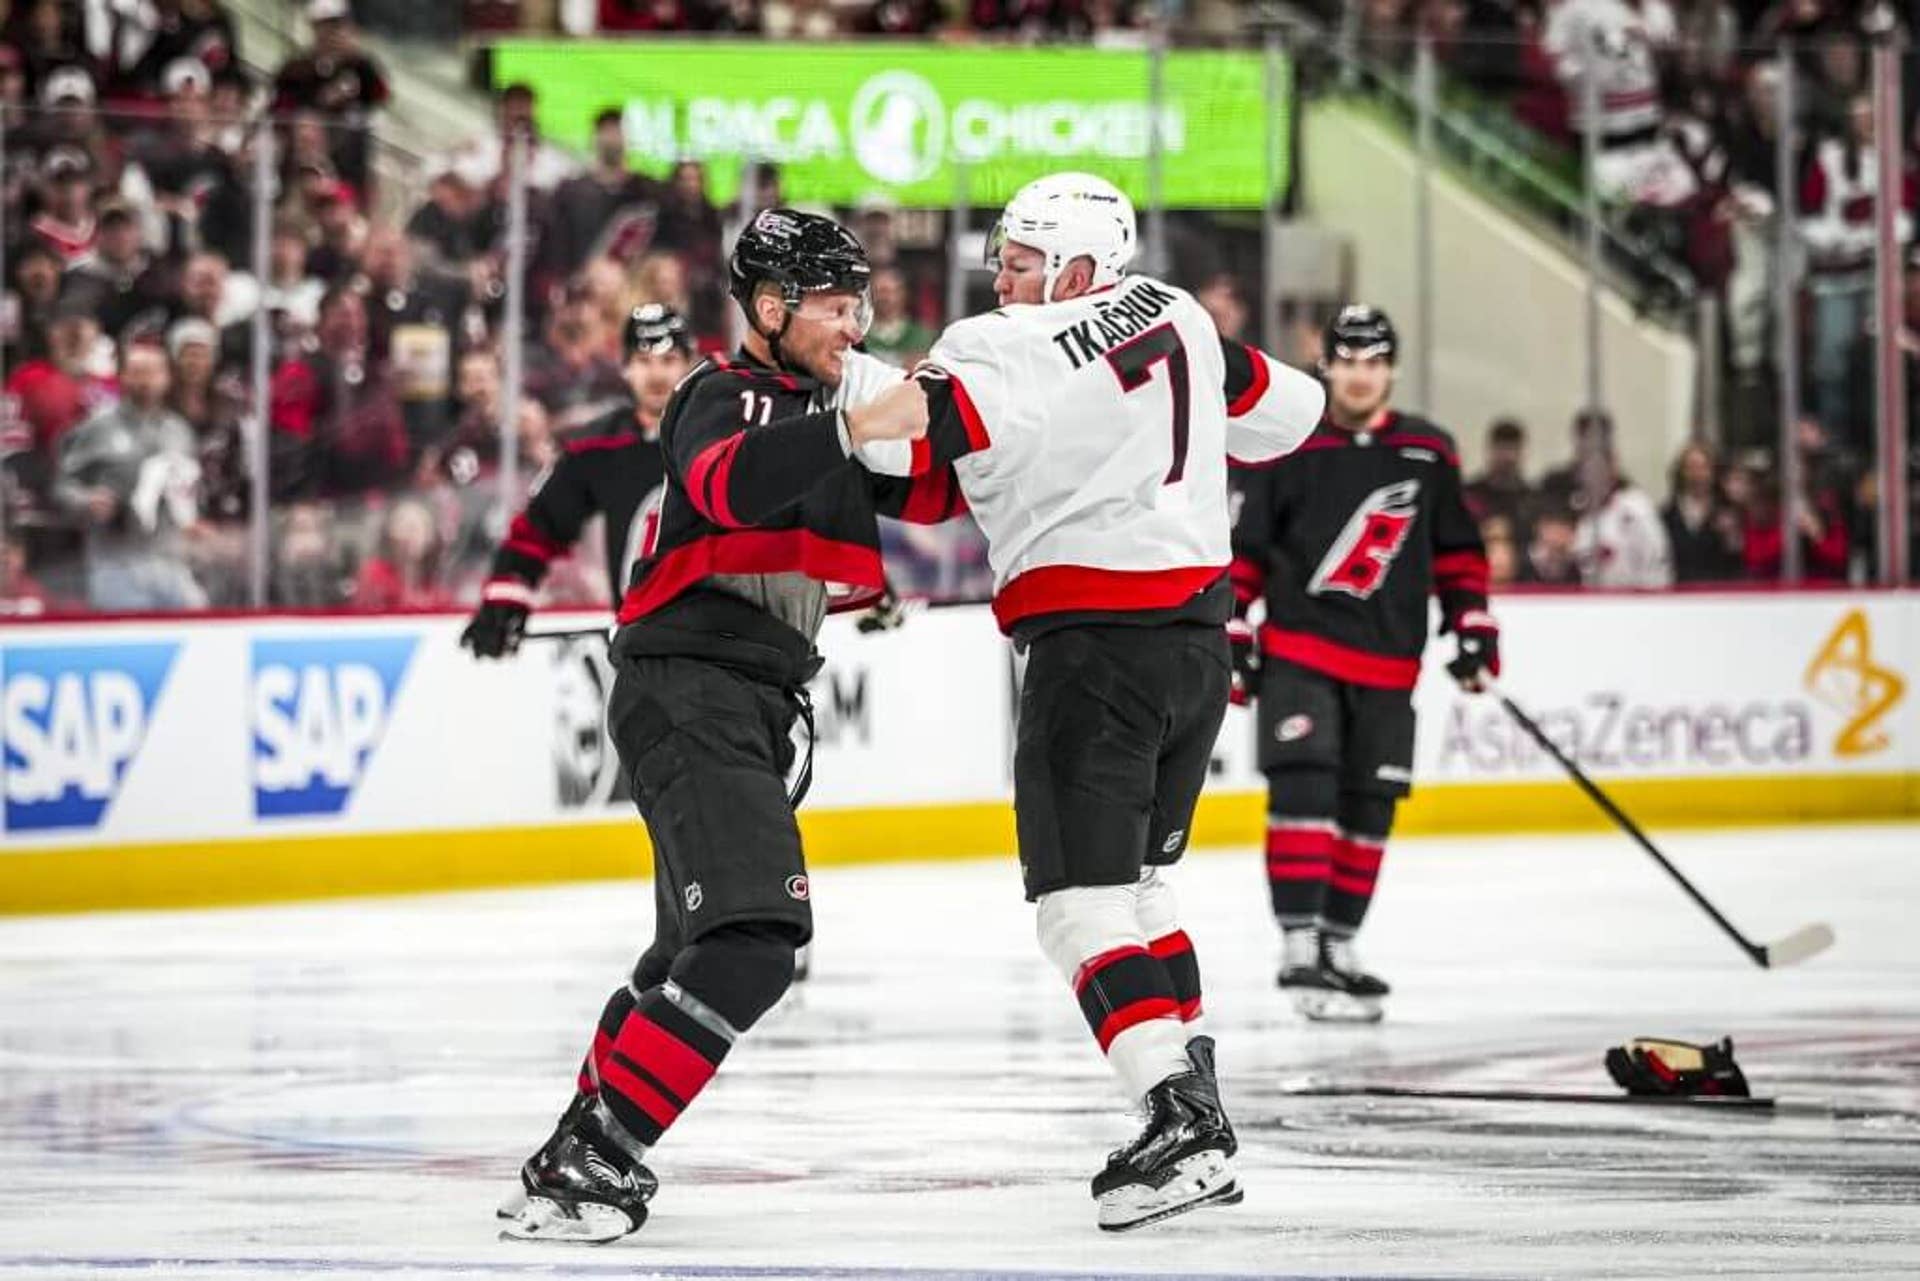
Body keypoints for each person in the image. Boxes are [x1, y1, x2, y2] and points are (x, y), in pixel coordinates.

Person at [497, 210, 960, 1245]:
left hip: (736, 690)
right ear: (767, 307)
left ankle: (573, 1144)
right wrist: (856, 424)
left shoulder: (824, 400)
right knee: (755, 941)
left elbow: (933, 494)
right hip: (690, 681)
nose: (856, 323)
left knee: (686, 958)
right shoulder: (724, 393)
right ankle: (595, 1160)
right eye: (835, 307)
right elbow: (723, 484)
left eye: (860, 305)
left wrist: (968, 404)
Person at [900, 172, 1325, 1230]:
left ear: (1082, 270)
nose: (1003, 277)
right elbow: (1296, 412)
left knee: (1076, 905)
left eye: (1024, 261)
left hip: (1093, 649)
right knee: (1140, 889)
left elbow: (903, 451)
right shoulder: (1180, 312)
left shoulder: (995, 347)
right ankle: (1195, 1093)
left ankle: (1177, 1119)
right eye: (1002, 258)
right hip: (1195, 646)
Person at [1230, 304, 1496, 1024]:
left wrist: (1473, 625)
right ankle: (1298, 945)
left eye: (1373, 362)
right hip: (1301, 649)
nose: (1360, 375)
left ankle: (1340, 946)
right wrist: (1232, 625)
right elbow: (1248, 548)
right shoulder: (1291, 445)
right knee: (1305, 786)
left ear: (1392, 369)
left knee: (1369, 805)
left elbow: (1459, 551)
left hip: (1389, 662)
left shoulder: (1428, 450)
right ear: (1328, 366)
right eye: (1348, 360)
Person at [460, 304, 692, 655]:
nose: (657, 375)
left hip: (720, 643)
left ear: (690, 363)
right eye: (644, 361)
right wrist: (506, 595)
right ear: (626, 367)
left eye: (669, 360)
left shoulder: (724, 436)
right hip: (641, 651)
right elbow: (540, 525)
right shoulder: (601, 446)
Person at [53, 341, 206, 612]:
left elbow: (190, 490)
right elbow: (61, 485)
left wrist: (194, 520)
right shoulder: (97, 428)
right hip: (116, 561)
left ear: (167, 378)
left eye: (153, 372)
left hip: (171, 558)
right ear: (123, 376)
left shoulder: (179, 431)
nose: (146, 381)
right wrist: (86, 500)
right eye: (138, 372)